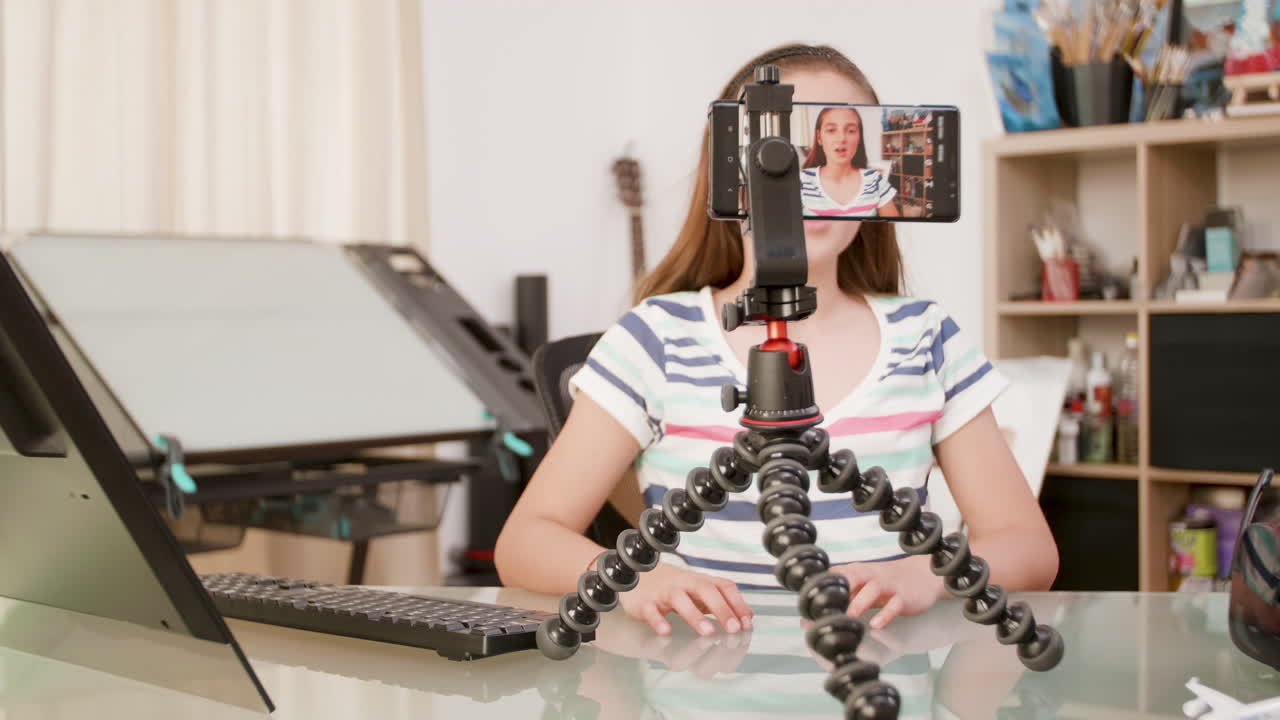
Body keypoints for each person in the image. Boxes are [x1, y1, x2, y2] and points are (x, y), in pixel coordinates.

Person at [495, 43, 1058, 639]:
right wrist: (634, 580)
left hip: (879, 678)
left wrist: (934, 573)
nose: (809, 174)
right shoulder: (656, 338)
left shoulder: (926, 338)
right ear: (733, 171)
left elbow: (1029, 547)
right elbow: (527, 540)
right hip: (700, 683)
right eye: (785, 151)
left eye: (845, 139)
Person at [800, 105, 902, 218]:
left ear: (859, 138)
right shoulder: (801, 181)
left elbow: (892, 230)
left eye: (851, 131)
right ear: (819, 137)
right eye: (831, 130)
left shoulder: (875, 180)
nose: (842, 138)